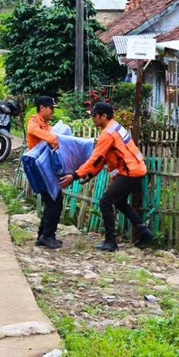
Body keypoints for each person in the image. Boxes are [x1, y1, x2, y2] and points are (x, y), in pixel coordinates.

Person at [60, 102, 155, 252]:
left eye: (94, 115)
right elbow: (102, 159)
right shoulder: (115, 127)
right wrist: (90, 174)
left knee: (105, 202)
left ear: (103, 116)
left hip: (129, 171)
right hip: (136, 168)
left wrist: (75, 175)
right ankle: (144, 232)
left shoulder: (107, 134)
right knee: (119, 202)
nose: (93, 118)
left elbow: (95, 158)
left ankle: (111, 241)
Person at [27, 96, 63, 249]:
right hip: (40, 169)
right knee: (54, 201)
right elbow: (32, 131)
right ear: (42, 108)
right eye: (51, 108)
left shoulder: (47, 125)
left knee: (52, 201)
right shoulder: (34, 121)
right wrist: (53, 138)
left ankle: (44, 234)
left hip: (48, 168)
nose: (53, 111)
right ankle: (47, 236)